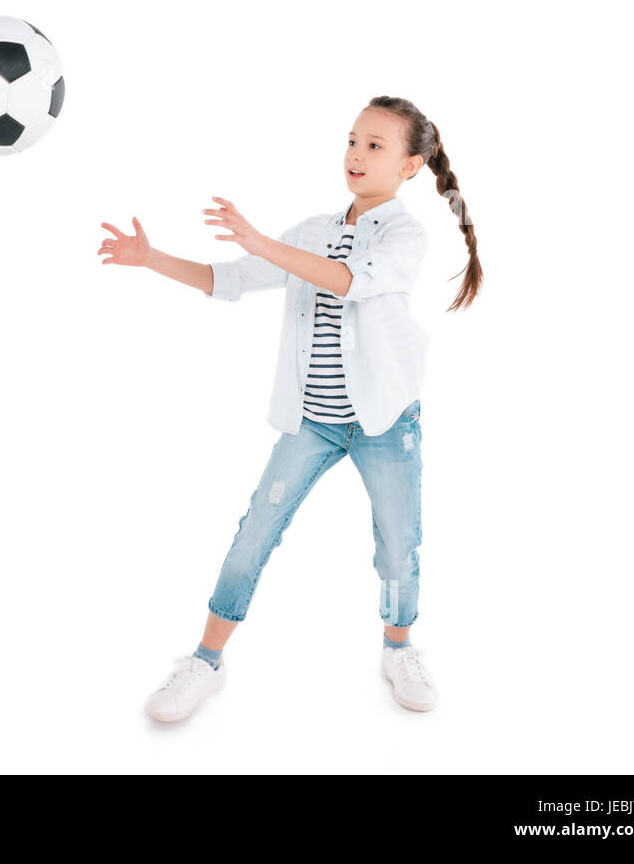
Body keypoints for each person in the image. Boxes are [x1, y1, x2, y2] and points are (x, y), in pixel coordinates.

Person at [96, 95, 482, 721]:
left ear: (411, 166)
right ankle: (204, 662)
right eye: (352, 140)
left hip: (386, 423)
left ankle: (399, 647)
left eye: (376, 146)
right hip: (314, 422)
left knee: (397, 545)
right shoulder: (309, 231)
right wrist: (152, 259)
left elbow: (350, 280)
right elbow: (231, 280)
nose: (356, 154)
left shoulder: (406, 235)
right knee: (254, 535)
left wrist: (263, 242)